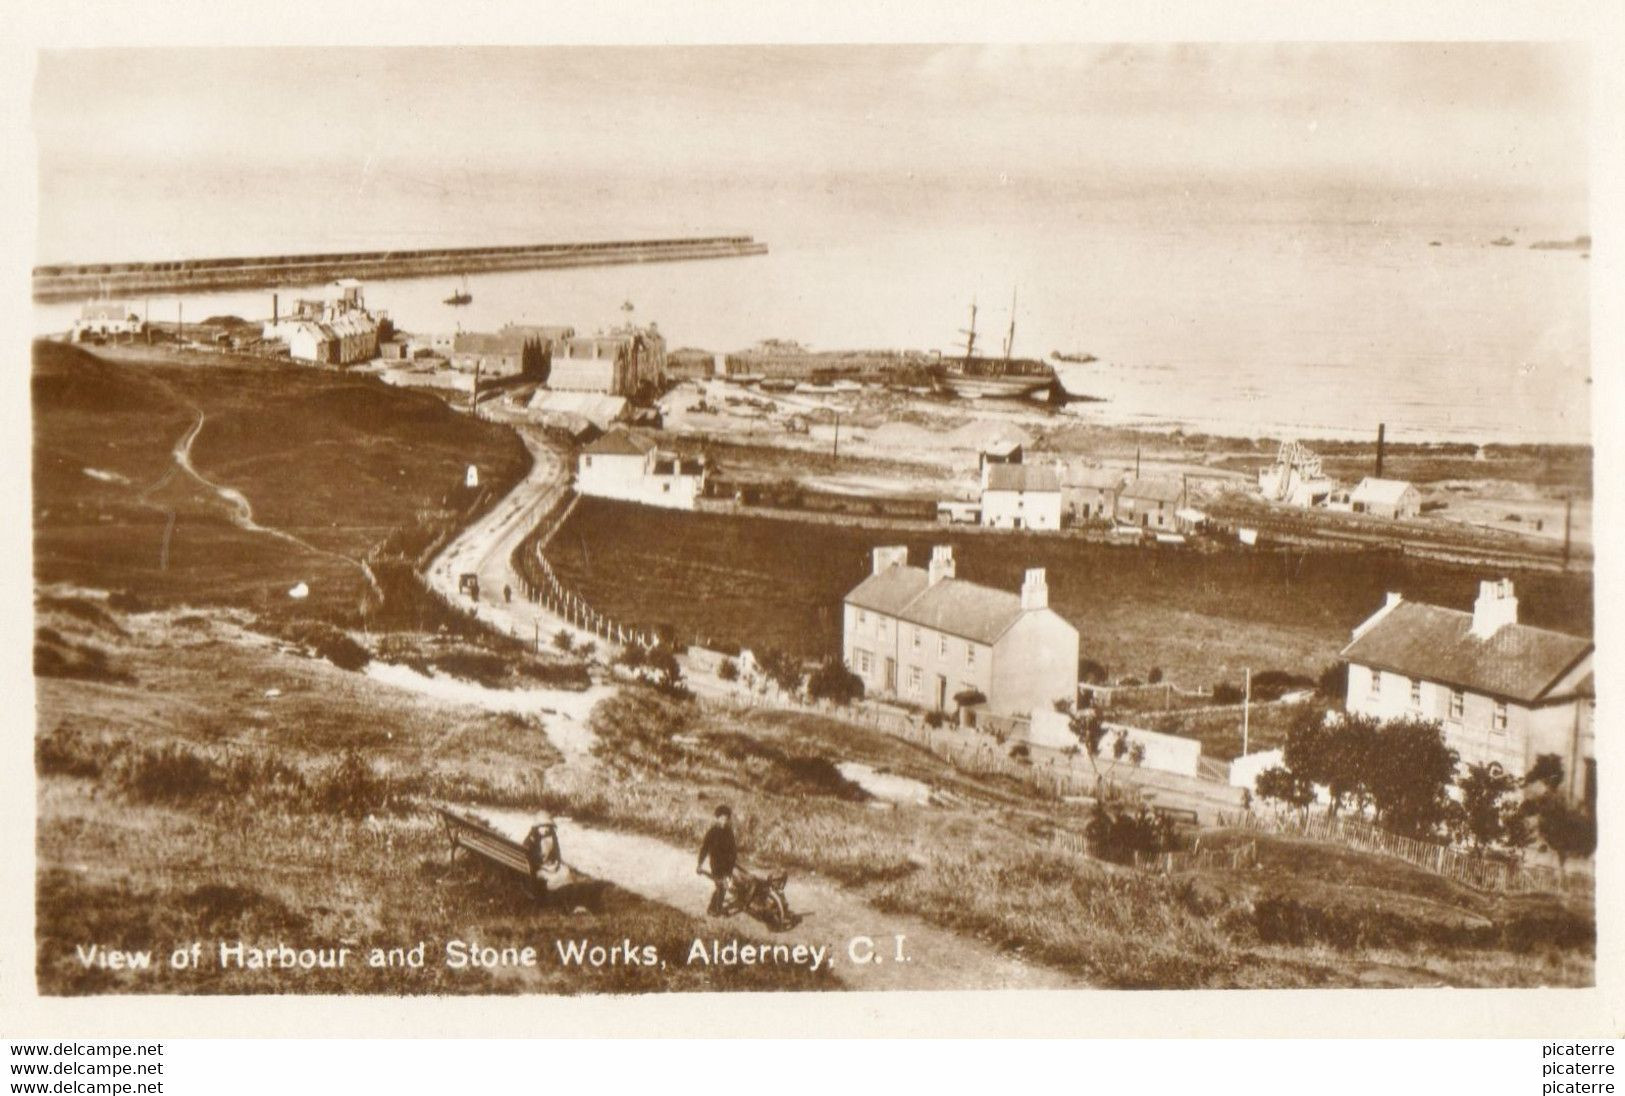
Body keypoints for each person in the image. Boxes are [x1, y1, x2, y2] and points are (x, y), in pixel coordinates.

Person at [696, 805, 738, 916]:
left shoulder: (729, 832)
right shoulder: (712, 832)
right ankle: (714, 909)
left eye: (726, 819)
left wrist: (732, 861)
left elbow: (733, 849)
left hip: (728, 864)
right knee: (721, 886)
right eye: (722, 818)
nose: (724, 821)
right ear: (717, 818)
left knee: (725, 886)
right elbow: (704, 848)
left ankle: (716, 907)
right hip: (716, 864)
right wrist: (700, 864)